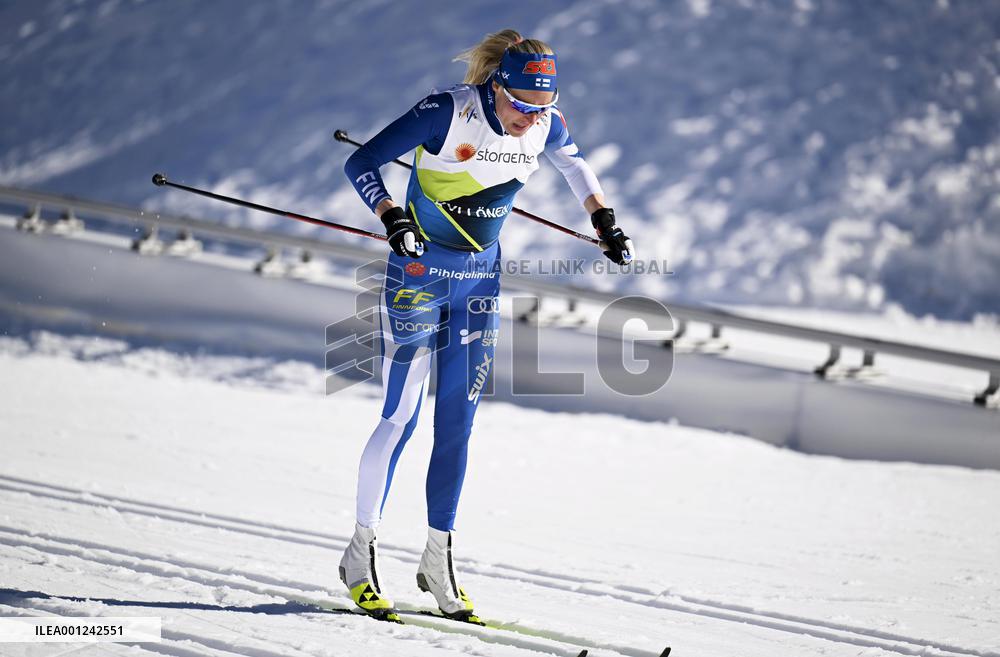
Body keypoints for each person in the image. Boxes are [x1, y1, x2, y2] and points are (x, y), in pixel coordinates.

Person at [340, 28, 634, 623]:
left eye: (541, 109)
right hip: (419, 275)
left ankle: (436, 558)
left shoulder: (545, 121)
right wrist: (392, 217)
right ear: (497, 86)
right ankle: (359, 552)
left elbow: (576, 167)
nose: (531, 121)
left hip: (480, 282)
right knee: (401, 415)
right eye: (522, 107)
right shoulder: (448, 110)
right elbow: (362, 160)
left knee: (458, 424)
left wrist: (603, 222)